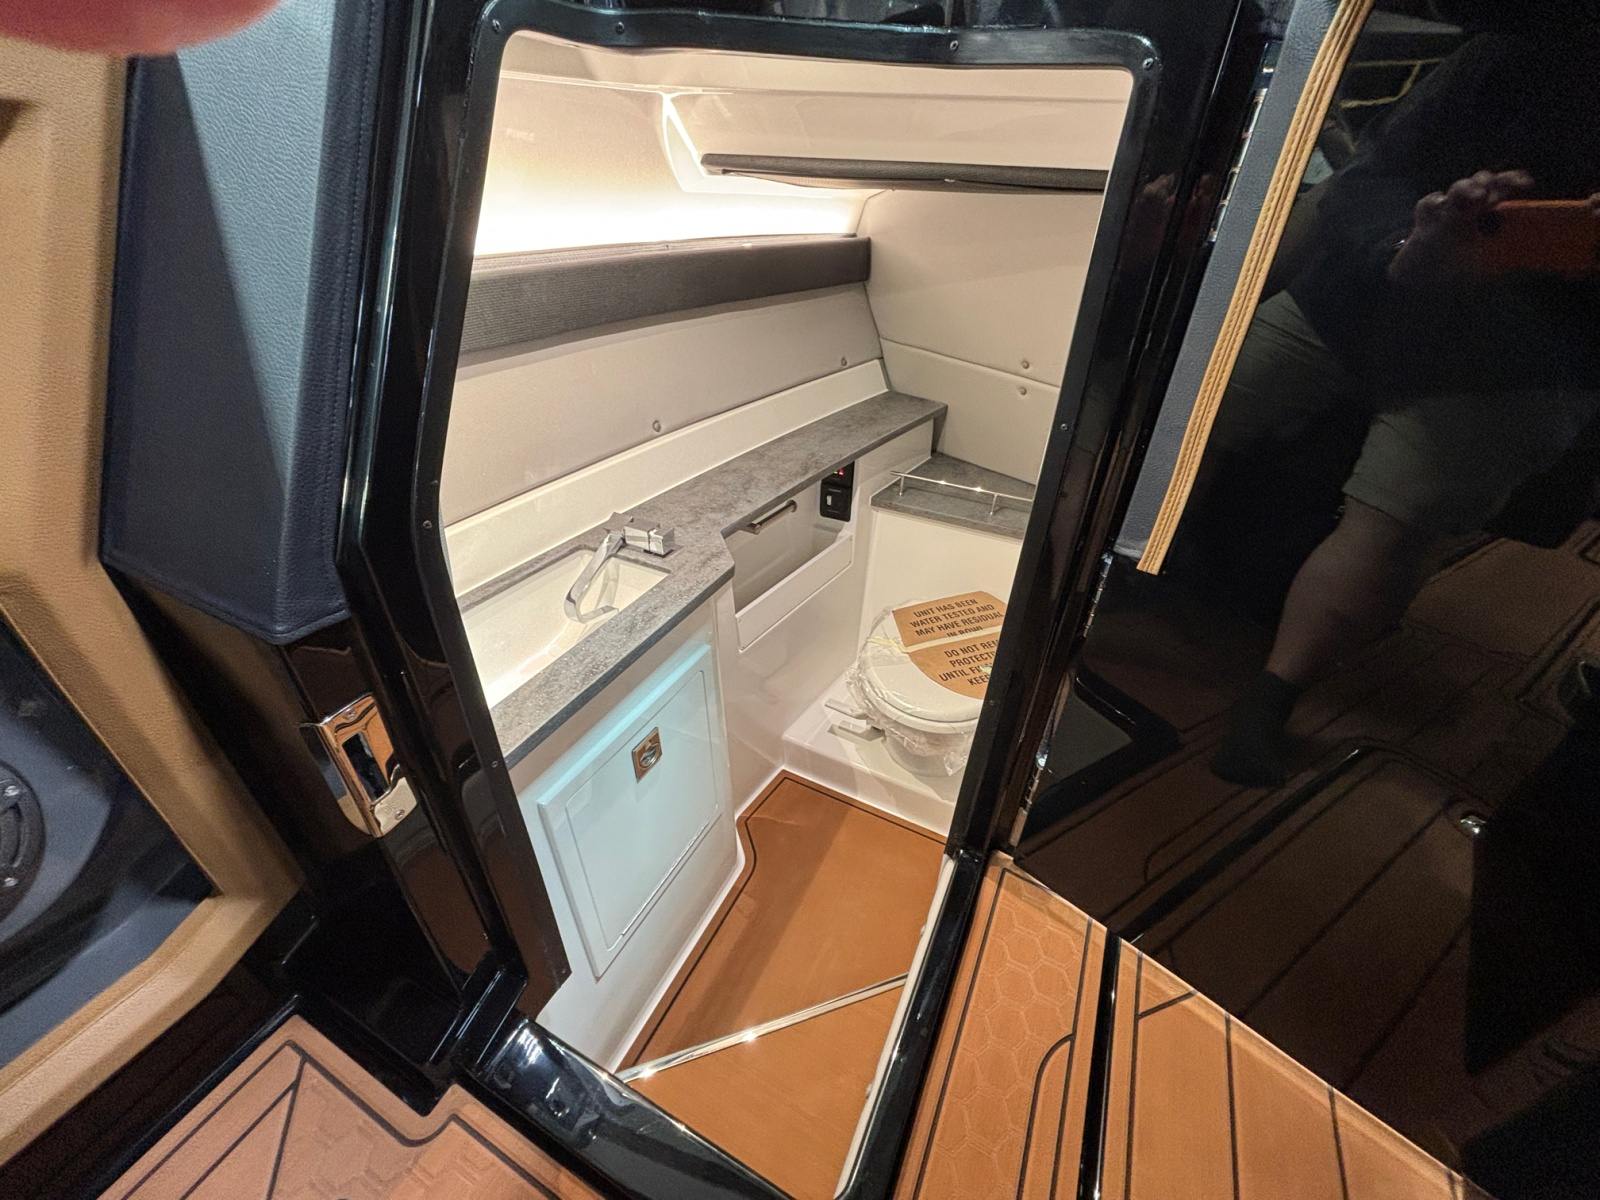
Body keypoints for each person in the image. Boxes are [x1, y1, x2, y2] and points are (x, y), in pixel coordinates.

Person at [1208, 15, 1600, 786]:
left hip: (1516, 360)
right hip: (1371, 298)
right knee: (1197, 421)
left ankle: (1271, 697)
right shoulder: (1512, 52)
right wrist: (1409, 243)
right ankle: (1240, 684)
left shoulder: (1516, 50)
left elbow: (1369, 178)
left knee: (1391, 522)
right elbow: (1373, 180)